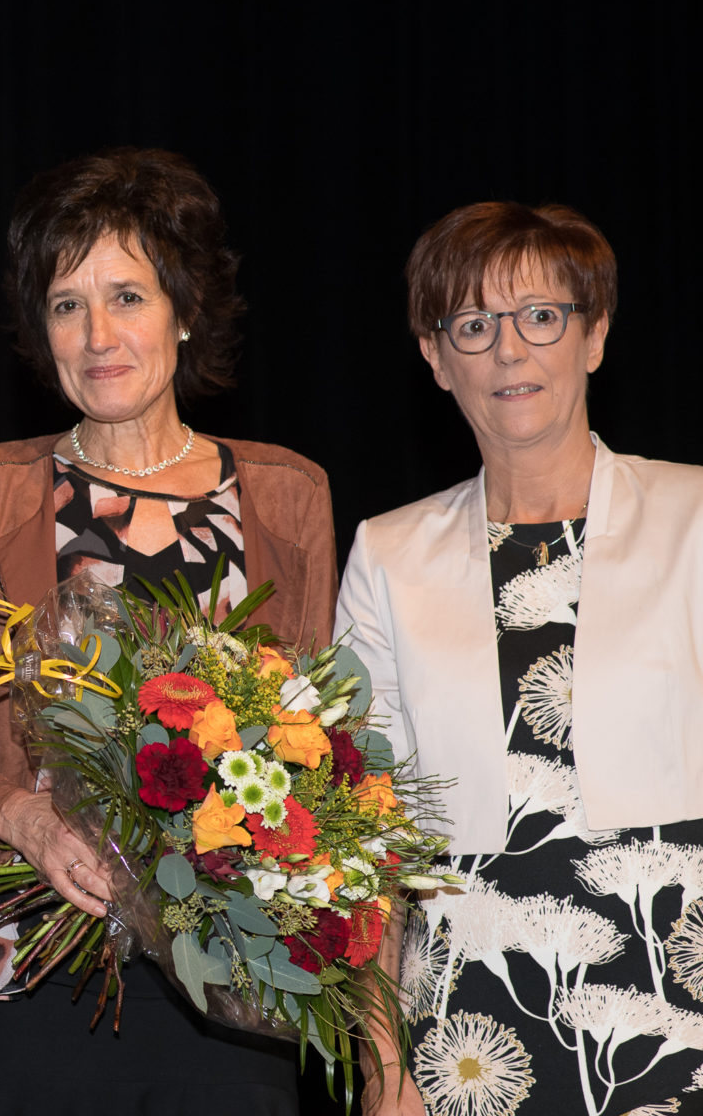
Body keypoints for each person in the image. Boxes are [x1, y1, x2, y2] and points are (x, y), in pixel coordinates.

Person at [0, 148, 333, 1114]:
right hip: (25, 956)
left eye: (128, 297)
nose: (98, 335)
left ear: (185, 311)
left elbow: (317, 738)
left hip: (229, 970)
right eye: (67, 304)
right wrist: (20, 817)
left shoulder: (288, 493)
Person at [337, 202, 703, 1115]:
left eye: (540, 316)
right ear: (436, 358)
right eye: (473, 325)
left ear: (595, 335)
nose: (509, 350)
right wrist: (382, 1066)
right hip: (464, 1017)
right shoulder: (387, 554)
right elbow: (360, 843)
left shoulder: (693, 518)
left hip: (676, 992)